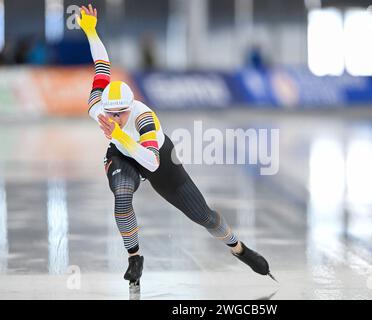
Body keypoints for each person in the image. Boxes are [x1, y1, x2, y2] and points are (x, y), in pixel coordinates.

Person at [77, 4, 274, 288]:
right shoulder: (98, 107)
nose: (116, 119)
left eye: (121, 114)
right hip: (123, 154)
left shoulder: (144, 118)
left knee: (203, 215)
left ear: (130, 108)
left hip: (155, 156)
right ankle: (135, 258)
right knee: (122, 197)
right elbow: (102, 65)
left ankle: (239, 248)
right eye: (112, 114)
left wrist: (119, 135)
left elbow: (152, 163)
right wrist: (91, 31)